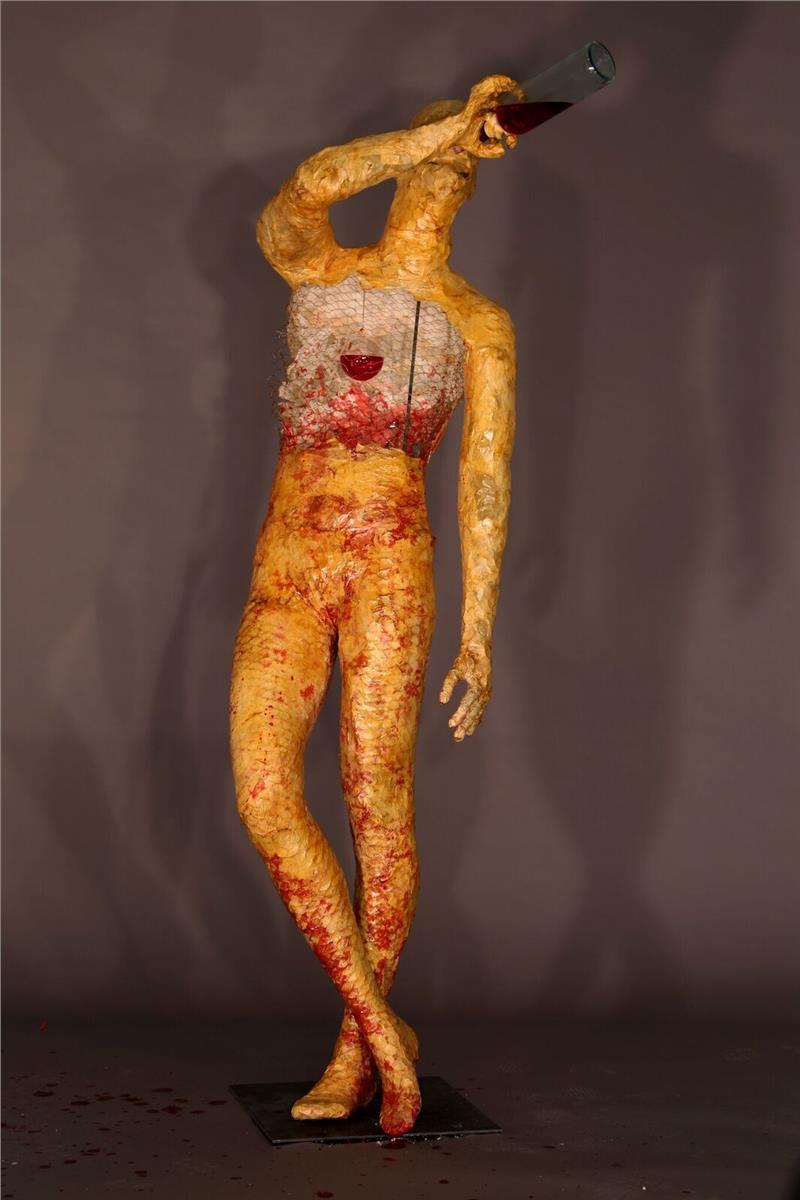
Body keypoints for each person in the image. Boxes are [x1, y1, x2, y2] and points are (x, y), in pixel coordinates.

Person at [229, 74, 522, 1137]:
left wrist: (479, 631)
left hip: (392, 569)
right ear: (401, 168)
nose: (437, 180)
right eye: (422, 164)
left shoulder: (477, 322)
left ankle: (355, 1055)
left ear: (471, 189)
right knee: (265, 793)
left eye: (454, 169)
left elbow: (483, 479)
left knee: (376, 800)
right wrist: (435, 131)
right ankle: (385, 1028)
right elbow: (306, 187)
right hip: (289, 564)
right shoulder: (318, 266)